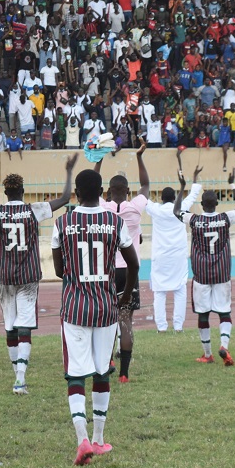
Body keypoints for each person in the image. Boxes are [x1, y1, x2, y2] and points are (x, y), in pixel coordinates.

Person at [0, 154, 78, 394]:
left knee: (10, 327)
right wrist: (68, 171)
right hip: (29, 276)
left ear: (6, 192)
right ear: (22, 191)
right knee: (25, 327)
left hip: (6, 277)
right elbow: (64, 198)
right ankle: (20, 378)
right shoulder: (34, 210)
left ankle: (17, 375)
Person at [51, 168, 139, 466]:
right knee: (102, 372)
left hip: (74, 307)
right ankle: (99, 440)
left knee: (75, 375)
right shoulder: (115, 221)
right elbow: (134, 265)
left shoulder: (62, 222)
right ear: (102, 192)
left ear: (75, 193)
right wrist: (124, 298)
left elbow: (58, 270)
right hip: (105, 308)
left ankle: (82, 440)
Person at [174, 166, 235, 366]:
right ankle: (224, 345)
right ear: (217, 204)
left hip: (202, 274)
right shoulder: (225, 218)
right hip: (222, 272)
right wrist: (232, 184)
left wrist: (182, 188)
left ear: (202, 205)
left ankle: (207, 354)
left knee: (203, 314)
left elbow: (177, 211)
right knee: (224, 312)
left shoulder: (194, 220)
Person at [93, 144, 149, 383]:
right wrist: (139, 157)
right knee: (126, 319)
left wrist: (99, 158)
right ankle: (124, 374)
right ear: (127, 191)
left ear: (107, 191)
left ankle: (108, 362)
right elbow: (146, 186)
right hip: (129, 269)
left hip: (106, 270)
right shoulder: (135, 207)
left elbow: (91, 185)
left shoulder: (102, 207)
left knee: (106, 319)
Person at [145, 153, 203, 333]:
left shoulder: (155, 210)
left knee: (159, 293)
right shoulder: (181, 208)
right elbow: (193, 194)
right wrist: (194, 178)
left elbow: (143, 198)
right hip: (178, 256)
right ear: (174, 198)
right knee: (180, 291)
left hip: (160, 257)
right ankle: (178, 327)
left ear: (161, 198)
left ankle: (161, 328)